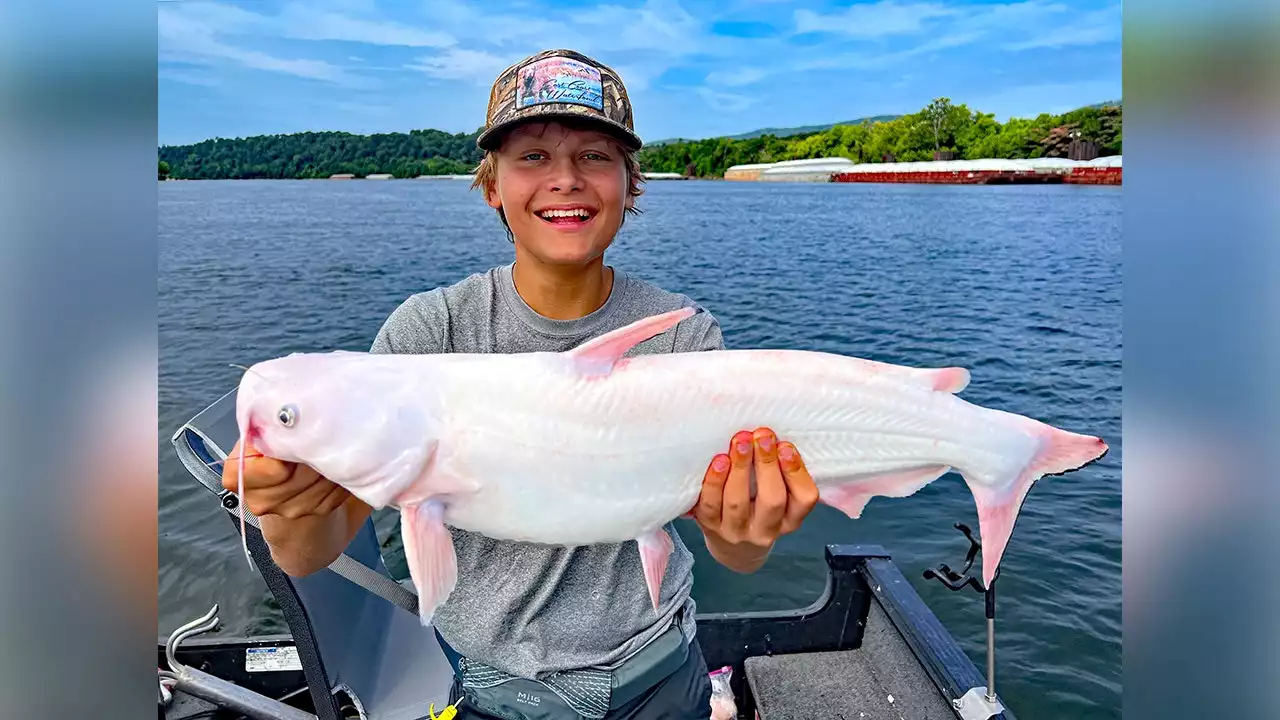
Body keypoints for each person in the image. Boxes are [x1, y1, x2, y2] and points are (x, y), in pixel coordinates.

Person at [223, 48, 821, 719]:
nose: (565, 179)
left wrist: (751, 527)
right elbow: (311, 552)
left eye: (595, 156)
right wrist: (287, 513)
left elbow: (735, 552)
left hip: (662, 673)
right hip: (494, 694)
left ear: (631, 185)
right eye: (532, 156)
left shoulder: (680, 335)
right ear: (491, 185)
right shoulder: (429, 332)